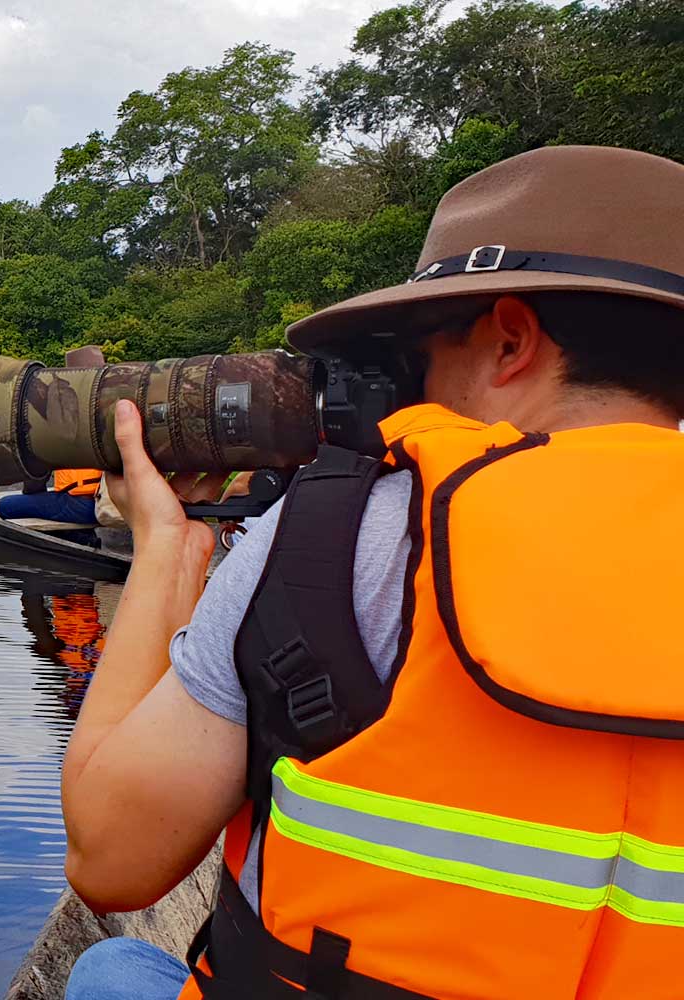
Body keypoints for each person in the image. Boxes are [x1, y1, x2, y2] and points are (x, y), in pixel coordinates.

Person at [56, 144, 684, 1000]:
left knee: (111, 967)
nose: (408, 383)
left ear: (509, 339)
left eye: (420, 349)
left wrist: (170, 543)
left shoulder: (345, 532)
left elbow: (111, 859)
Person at [0, 346, 108, 524]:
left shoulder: (61, 417)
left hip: (84, 505)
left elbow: (37, 476)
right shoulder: (116, 409)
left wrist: (34, 492)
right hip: (119, 502)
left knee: (5, 505)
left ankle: (80, 538)